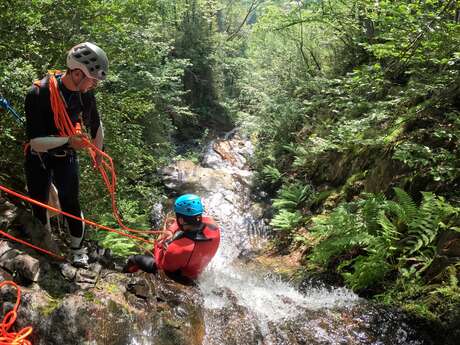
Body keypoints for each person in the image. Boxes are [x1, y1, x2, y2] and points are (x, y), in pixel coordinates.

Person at [24, 42, 108, 268]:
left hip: (66, 155)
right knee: (39, 202)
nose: (94, 85)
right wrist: (69, 140)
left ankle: (77, 250)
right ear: (78, 73)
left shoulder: (85, 95)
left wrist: (99, 153)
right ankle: (45, 245)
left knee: (71, 201)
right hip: (39, 155)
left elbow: (96, 126)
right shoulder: (38, 93)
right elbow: (36, 142)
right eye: (93, 79)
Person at [123, 194, 220, 283]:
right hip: (196, 268)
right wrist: (171, 230)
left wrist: (161, 244)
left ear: (181, 220)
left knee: (133, 259)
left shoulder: (178, 248)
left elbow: (160, 265)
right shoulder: (213, 226)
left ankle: (123, 277)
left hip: (180, 276)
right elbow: (188, 222)